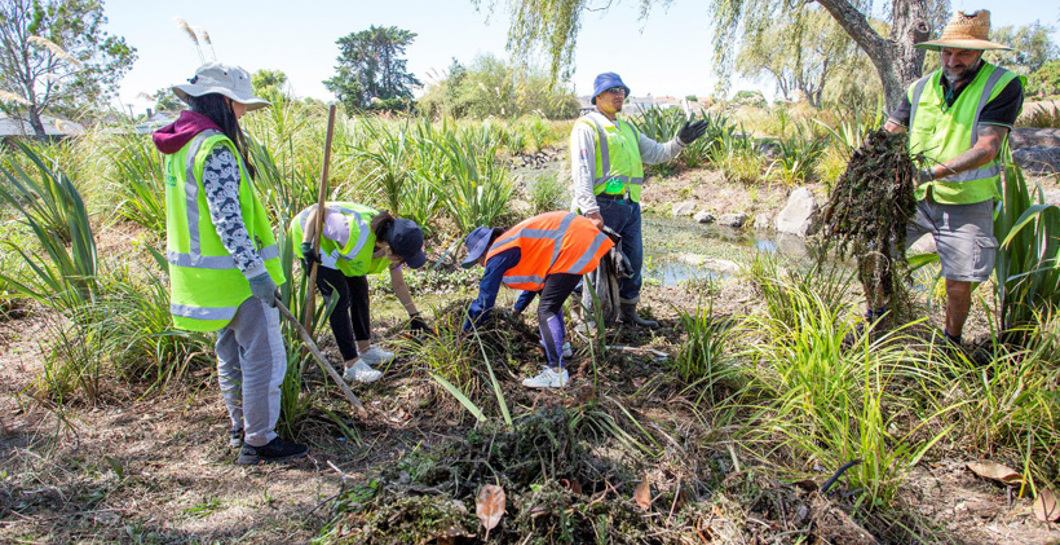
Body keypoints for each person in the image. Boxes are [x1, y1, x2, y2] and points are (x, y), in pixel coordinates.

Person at [153, 62, 308, 465]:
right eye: (239, 105)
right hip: (238, 279)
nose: (242, 114)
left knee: (230, 355)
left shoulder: (179, 146)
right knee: (264, 359)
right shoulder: (214, 147)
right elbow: (227, 219)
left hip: (206, 282)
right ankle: (259, 441)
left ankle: (241, 429)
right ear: (223, 100)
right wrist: (257, 272)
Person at [878, 9, 1024, 345]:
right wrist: (869, 159)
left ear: (981, 52)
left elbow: (987, 147)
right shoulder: (920, 87)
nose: (953, 59)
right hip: (913, 197)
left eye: (963, 52)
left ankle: (951, 343)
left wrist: (930, 173)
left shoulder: (1001, 85)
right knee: (875, 252)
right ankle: (877, 319)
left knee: (959, 280)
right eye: (947, 51)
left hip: (966, 202)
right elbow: (891, 131)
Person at [570, 72, 709, 329]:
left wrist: (680, 142)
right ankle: (586, 318)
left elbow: (656, 153)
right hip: (602, 206)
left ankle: (628, 313)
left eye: (622, 90)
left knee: (633, 261)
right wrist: (590, 210)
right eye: (612, 90)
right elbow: (582, 171)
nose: (619, 94)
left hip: (629, 206)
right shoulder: (587, 126)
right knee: (594, 266)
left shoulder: (627, 129)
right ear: (597, 96)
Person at [461, 211, 615, 388]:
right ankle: (561, 347)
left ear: (484, 250)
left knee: (545, 310)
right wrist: (516, 311)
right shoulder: (512, 244)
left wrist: (465, 333)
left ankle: (556, 372)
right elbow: (536, 286)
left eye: (478, 260)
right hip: (578, 236)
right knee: (549, 300)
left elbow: (484, 302)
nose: (482, 264)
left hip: (573, 241)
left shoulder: (497, 253)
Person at [291, 202, 429, 383]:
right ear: (389, 248)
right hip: (312, 235)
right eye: (403, 258)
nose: (402, 262)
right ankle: (351, 365)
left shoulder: (393, 246)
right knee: (338, 297)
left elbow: (399, 285)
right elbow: (318, 209)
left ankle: (365, 350)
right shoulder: (350, 231)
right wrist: (306, 244)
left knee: (360, 290)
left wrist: (414, 315)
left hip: (338, 248)